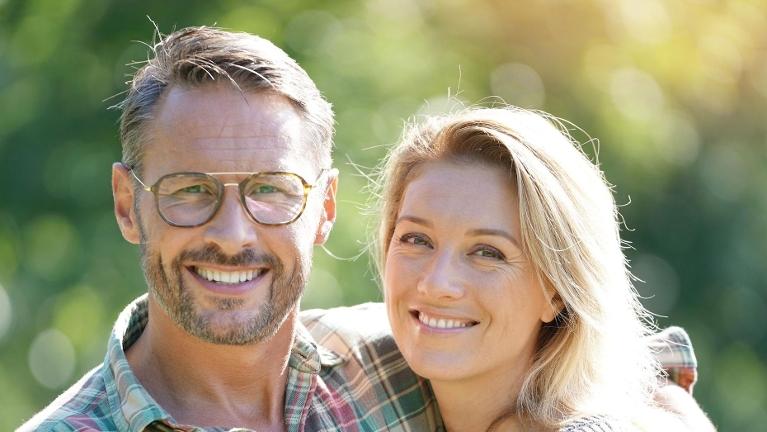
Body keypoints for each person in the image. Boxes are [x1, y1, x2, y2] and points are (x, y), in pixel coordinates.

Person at [19, 26, 441, 431]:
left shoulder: (411, 368)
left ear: (325, 206)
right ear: (128, 205)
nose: (232, 235)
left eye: (271, 188)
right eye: (191, 189)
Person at [371, 107, 716, 431]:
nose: (436, 283)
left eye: (488, 252)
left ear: (557, 292)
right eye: (416, 239)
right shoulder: (353, 360)